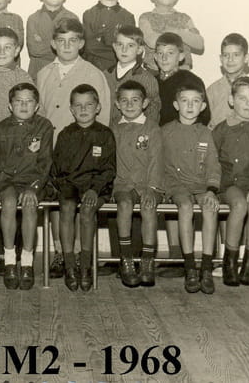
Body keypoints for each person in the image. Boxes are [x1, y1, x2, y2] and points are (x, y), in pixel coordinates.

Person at [37, 18, 111, 278]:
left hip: (85, 154)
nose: (67, 46)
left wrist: (94, 155)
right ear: (53, 44)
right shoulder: (44, 74)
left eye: (72, 41)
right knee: (58, 201)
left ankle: (81, 253)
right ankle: (61, 252)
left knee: (82, 203)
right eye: (61, 41)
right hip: (53, 150)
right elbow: (40, 115)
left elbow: (103, 119)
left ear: (81, 43)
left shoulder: (93, 74)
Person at [153, 32, 210, 268]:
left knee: (185, 199)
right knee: (169, 195)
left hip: (185, 145)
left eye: (170, 53)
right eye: (160, 53)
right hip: (159, 143)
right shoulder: (152, 80)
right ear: (154, 56)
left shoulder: (190, 79)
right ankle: (174, 252)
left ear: (181, 55)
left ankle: (183, 255)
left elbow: (204, 115)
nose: (165, 58)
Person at [51, 84, 116, 292]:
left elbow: (109, 170)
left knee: (87, 209)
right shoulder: (65, 134)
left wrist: (94, 189)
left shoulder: (105, 134)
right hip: (71, 185)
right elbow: (58, 170)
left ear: (98, 107)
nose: (83, 109)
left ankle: (86, 266)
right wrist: (66, 188)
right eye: (78, 105)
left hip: (98, 187)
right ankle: (70, 265)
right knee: (67, 207)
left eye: (88, 104)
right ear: (71, 109)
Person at [0, 83, 53, 290]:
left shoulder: (44, 126)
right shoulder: (0, 128)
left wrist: (34, 187)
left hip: (32, 181)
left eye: (29, 102)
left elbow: (45, 162)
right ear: (10, 105)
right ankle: (9, 261)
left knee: (29, 203)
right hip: (6, 181)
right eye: (18, 101)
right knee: (8, 202)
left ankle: (27, 262)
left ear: (37, 106)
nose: (24, 106)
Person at [0, 27, 33, 276]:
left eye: (8, 47)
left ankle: (18, 253)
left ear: (17, 50)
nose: (2, 52)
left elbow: (31, 112)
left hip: (19, 148)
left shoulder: (24, 76)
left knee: (18, 200)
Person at [162, 82, 221, 294]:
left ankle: (206, 266)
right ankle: (189, 267)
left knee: (210, 207)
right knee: (185, 207)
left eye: (195, 101)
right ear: (176, 105)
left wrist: (212, 190)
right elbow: (159, 164)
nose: (189, 106)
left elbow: (213, 164)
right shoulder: (165, 131)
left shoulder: (205, 133)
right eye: (184, 101)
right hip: (176, 185)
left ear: (202, 107)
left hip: (201, 185)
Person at [212, 77, 249, 287]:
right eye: (242, 98)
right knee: (239, 204)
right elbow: (212, 162)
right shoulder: (221, 129)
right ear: (231, 100)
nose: (248, 103)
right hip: (229, 184)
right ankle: (229, 261)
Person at [111, 81, 163, 287]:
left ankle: (147, 261)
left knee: (148, 207)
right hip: (123, 184)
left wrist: (152, 188)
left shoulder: (152, 128)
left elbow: (156, 161)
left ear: (145, 103)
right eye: (124, 101)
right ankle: (126, 259)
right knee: (124, 204)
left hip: (148, 184)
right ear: (117, 104)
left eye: (135, 100)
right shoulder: (114, 129)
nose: (130, 105)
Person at [139, 0, 204, 71]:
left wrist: (177, 32)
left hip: (182, 70)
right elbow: (151, 41)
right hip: (154, 71)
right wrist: (183, 34)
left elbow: (199, 43)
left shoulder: (185, 18)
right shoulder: (145, 18)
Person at [206, 33, 249, 129]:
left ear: (246, 58)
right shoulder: (212, 91)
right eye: (226, 55)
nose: (230, 59)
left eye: (236, 55)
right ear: (221, 59)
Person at [25, 0, 78, 78]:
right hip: (39, 72)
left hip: (66, 71)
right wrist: (63, 45)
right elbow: (34, 50)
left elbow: (74, 49)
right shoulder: (33, 19)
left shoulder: (72, 18)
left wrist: (43, 42)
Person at [105, 25, 160, 126]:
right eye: (120, 44)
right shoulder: (105, 74)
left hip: (135, 132)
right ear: (114, 47)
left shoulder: (147, 79)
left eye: (130, 45)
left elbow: (153, 115)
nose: (124, 50)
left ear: (139, 49)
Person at [82, 0, 135, 71]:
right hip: (92, 68)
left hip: (118, 68)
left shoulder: (128, 17)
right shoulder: (88, 15)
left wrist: (102, 41)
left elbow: (129, 48)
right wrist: (114, 45)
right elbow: (89, 47)